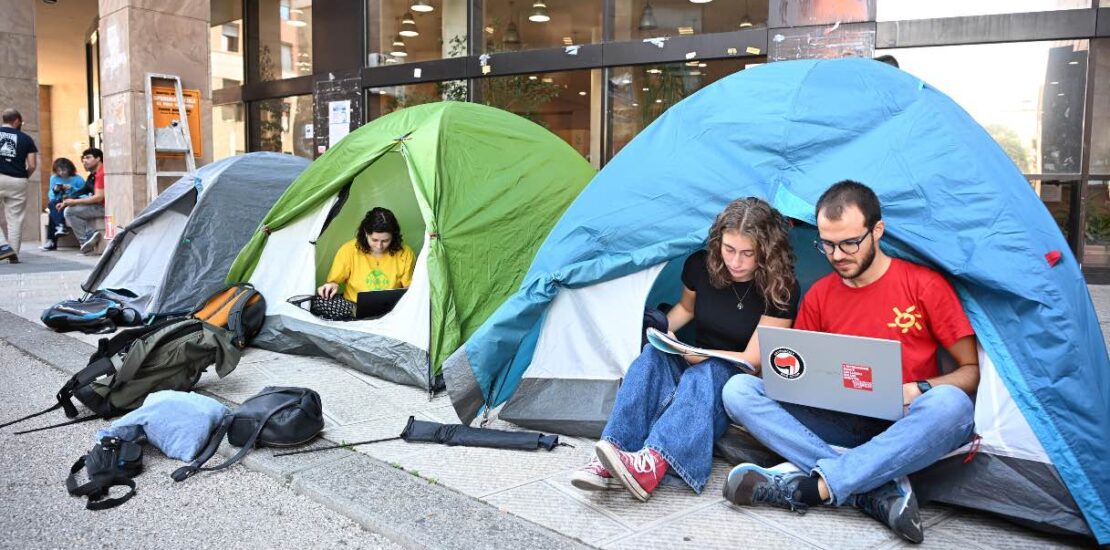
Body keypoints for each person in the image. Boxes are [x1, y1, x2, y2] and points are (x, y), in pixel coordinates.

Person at [721, 181, 979, 544]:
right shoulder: (820, 295)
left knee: (953, 405)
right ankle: (871, 489)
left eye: (849, 243)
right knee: (738, 389)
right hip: (837, 420)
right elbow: (800, 374)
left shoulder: (924, 285)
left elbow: (970, 372)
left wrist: (917, 388)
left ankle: (816, 488)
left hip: (903, 421)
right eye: (826, 244)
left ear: (877, 231)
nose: (837, 255)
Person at [572, 198, 800, 501]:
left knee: (706, 372)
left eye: (748, 254)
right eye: (729, 250)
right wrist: (660, 333)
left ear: (767, 252)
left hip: (733, 379)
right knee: (653, 355)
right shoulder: (700, 266)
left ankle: (653, 462)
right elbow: (685, 309)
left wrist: (696, 354)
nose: (735, 262)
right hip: (695, 356)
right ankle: (612, 451)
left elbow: (752, 361)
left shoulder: (781, 287)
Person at [317, 207, 416, 307]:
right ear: (365, 233)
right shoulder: (349, 250)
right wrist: (331, 285)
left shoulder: (405, 253)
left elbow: (410, 288)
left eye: (385, 241)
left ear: (394, 236)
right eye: (374, 240)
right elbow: (334, 281)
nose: (379, 246)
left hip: (392, 309)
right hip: (354, 306)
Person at [0, 108, 39, 263]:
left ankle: (3, 246)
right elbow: (32, 165)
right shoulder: (26, 138)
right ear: (16, 120)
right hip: (18, 180)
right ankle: (13, 253)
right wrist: (24, 177)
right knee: (15, 218)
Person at [60, 148, 106, 254]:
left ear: (98, 158)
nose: (84, 160)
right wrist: (66, 201)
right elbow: (83, 190)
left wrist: (74, 202)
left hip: (104, 207)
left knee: (69, 212)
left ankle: (86, 238)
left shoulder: (101, 173)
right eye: (83, 158)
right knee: (68, 209)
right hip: (99, 205)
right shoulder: (93, 175)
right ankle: (88, 238)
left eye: (88, 157)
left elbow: (99, 197)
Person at [41, 157, 87, 251]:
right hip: (60, 203)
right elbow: (51, 195)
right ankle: (60, 227)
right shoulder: (54, 178)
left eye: (64, 170)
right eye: (59, 170)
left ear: (70, 169)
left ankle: (52, 240)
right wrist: (55, 190)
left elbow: (86, 194)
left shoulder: (78, 179)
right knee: (53, 204)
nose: (62, 173)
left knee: (53, 213)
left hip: (74, 202)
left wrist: (72, 189)